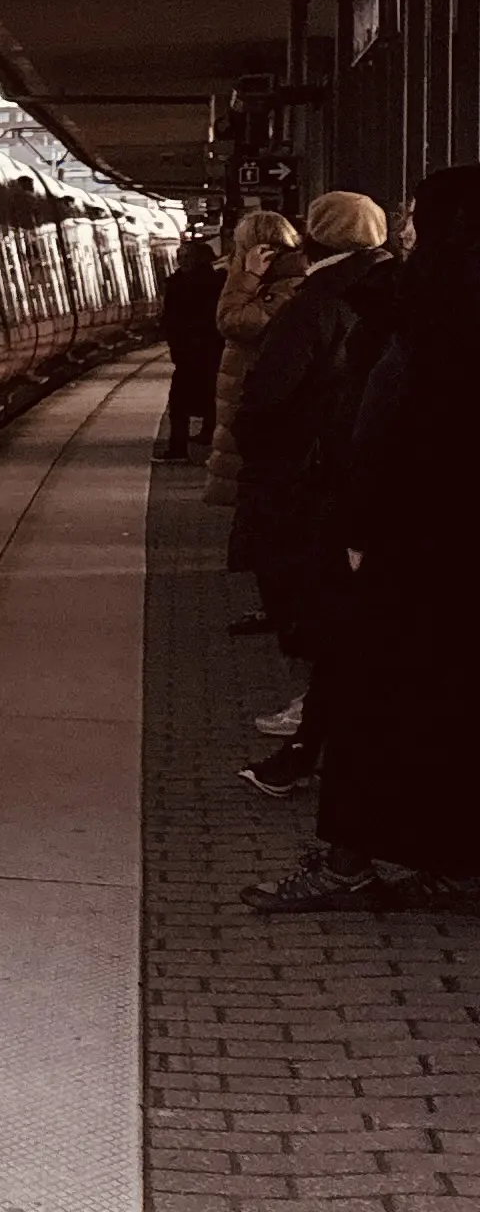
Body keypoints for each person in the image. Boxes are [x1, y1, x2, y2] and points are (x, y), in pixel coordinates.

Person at [250, 164, 480, 910]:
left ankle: (348, 864)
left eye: (419, 215)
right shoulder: (434, 307)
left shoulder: (435, 319)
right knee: (443, 713)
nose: (404, 227)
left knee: (368, 705)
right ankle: (448, 859)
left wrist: (356, 531)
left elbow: (388, 437)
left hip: (407, 553)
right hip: (445, 555)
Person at [231, 192, 399, 800]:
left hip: (316, 479)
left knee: (322, 610)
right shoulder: (394, 288)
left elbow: (271, 393)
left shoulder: (319, 301)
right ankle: (311, 746)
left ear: (318, 237)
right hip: (352, 477)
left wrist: (261, 453)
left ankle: (314, 752)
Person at [206, 207, 305, 505]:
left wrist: (245, 276)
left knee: (253, 513)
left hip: (257, 414)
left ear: (259, 251)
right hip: (250, 414)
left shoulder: (285, 287)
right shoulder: (273, 285)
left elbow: (233, 322)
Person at [158, 235, 226, 458]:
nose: (182, 261)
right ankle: (197, 438)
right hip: (196, 352)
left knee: (183, 401)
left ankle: (180, 446)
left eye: (187, 257)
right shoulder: (214, 283)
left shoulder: (185, 285)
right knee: (201, 398)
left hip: (201, 352)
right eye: (180, 257)